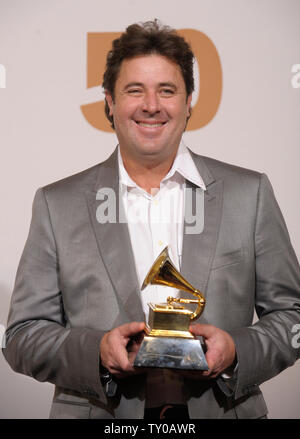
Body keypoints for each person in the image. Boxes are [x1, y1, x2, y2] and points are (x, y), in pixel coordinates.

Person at [3, 20, 300, 419]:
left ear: (189, 100)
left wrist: (237, 351)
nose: (151, 105)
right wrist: (95, 352)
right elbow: (20, 337)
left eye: (167, 90)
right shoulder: (58, 205)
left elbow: (293, 317)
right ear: (109, 101)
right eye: (134, 90)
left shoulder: (251, 194)